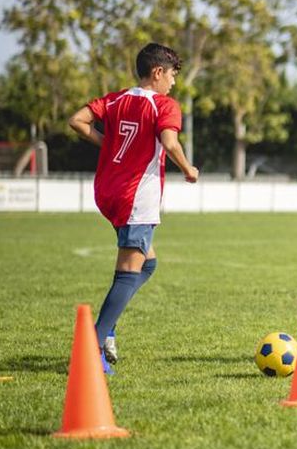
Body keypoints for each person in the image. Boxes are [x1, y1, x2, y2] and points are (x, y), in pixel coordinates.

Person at [68, 43, 199, 374]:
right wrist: (187, 168)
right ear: (158, 72)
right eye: (171, 75)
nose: (173, 83)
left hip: (107, 191)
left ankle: (107, 327)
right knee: (129, 270)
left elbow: (78, 121)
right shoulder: (164, 105)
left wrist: (107, 144)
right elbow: (169, 142)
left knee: (148, 264)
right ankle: (93, 347)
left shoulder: (114, 99)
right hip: (135, 196)